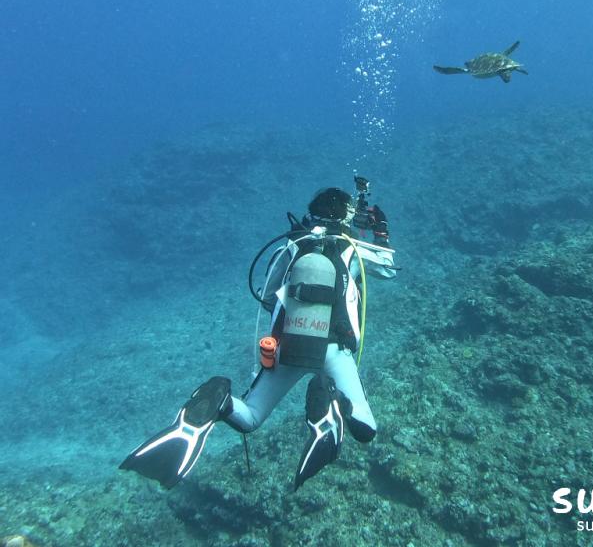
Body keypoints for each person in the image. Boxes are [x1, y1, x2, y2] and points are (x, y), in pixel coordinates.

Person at [120, 178, 397, 490]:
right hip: (334, 351)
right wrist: (381, 229)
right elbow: (387, 267)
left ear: (312, 214)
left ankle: (219, 398)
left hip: (286, 345)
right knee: (365, 428)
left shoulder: (290, 246)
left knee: (249, 417)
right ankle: (331, 404)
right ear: (347, 217)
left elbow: (267, 295)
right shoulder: (353, 249)